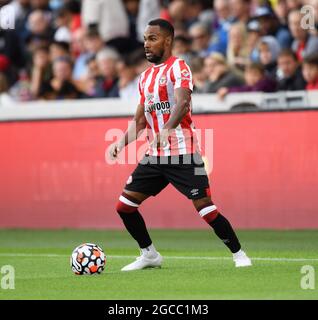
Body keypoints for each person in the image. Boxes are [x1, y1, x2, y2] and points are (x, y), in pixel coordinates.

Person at [108, 19, 252, 271]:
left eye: (152, 38)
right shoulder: (144, 78)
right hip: (154, 156)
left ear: (167, 40)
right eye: (145, 39)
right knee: (125, 206)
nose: (146, 44)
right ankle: (149, 254)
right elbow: (140, 120)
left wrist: (166, 129)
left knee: (205, 208)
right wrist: (121, 141)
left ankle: (239, 253)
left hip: (185, 154)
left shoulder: (179, 67)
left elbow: (182, 103)